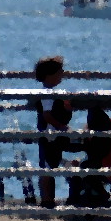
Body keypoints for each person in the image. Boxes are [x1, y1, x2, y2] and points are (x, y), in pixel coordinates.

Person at [34, 55, 73, 209]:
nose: (62, 74)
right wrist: (61, 127)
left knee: (51, 165)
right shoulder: (47, 94)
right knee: (47, 167)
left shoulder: (53, 93)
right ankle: (47, 199)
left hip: (53, 135)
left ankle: (49, 199)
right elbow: (47, 115)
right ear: (50, 75)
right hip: (49, 135)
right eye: (59, 72)